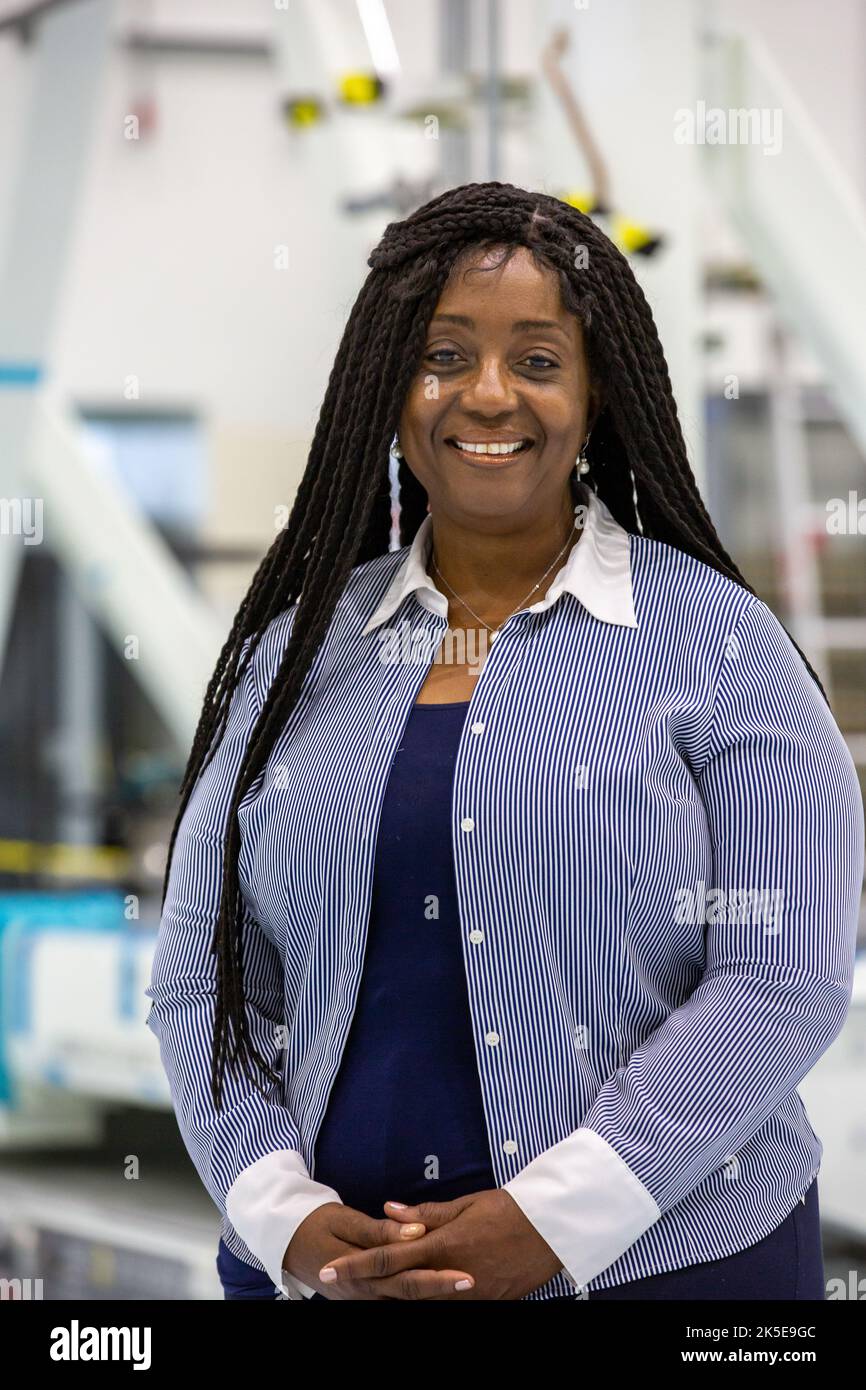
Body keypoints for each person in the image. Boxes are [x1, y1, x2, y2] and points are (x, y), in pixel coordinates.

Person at [145, 181, 863, 1302]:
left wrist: (554, 1218)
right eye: (442, 355)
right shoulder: (293, 657)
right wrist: (290, 1223)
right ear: (388, 390)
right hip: (338, 1279)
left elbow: (784, 974)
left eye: (536, 359)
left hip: (674, 1271)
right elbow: (200, 982)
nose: (487, 395)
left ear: (594, 396)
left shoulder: (721, 647)